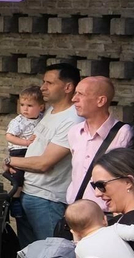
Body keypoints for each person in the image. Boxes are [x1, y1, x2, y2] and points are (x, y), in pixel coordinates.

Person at [6, 63, 82, 245]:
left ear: (68, 87)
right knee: (29, 254)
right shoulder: (49, 111)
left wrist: (11, 160)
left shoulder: (72, 119)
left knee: (51, 256)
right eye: (43, 82)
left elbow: (44, 163)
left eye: (49, 83)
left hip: (48, 199)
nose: (43, 87)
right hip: (30, 194)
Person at [65, 76, 134, 210]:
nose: (74, 99)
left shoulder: (123, 133)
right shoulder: (74, 132)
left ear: (101, 100)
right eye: (75, 93)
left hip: (106, 214)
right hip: (75, 210)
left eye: (81, 94)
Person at [5, 86, 45, 205]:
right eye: (22, 105)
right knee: (18, 177)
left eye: (30, 106)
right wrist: (26, 143)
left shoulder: (42, 119)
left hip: (32, 151)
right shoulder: (18, 121)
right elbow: (9, 136)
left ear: (41, 107)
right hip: (19, 151)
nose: (25, 109)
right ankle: (15, 200)